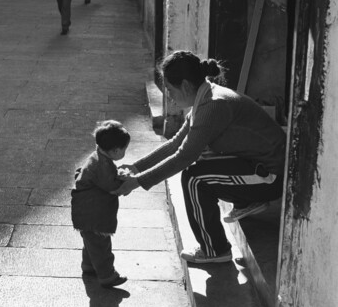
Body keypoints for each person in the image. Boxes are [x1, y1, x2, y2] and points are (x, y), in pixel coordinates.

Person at [114, 50, 286, 265]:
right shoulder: (205, 97)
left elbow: (184, 156)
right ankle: (247, 200)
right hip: (257, 164)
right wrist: (137, 168)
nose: (168, 96)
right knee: (201, 163)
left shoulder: (213, 104)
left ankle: (215, 249)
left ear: (185, 85)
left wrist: (138, 182)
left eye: (169, 89)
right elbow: (177, 143)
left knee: (195, 178)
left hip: (272, 175)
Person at [71, 120, 130, 288]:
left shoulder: (97, 156)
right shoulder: (103, 165)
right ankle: (107, 275)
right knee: (101, 245)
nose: (124, 152)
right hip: (94, 213)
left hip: (85, 211)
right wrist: (125, 182)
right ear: (115, 150)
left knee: (91, 242)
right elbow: (112, 187)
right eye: (124, 149)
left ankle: (89, 266)